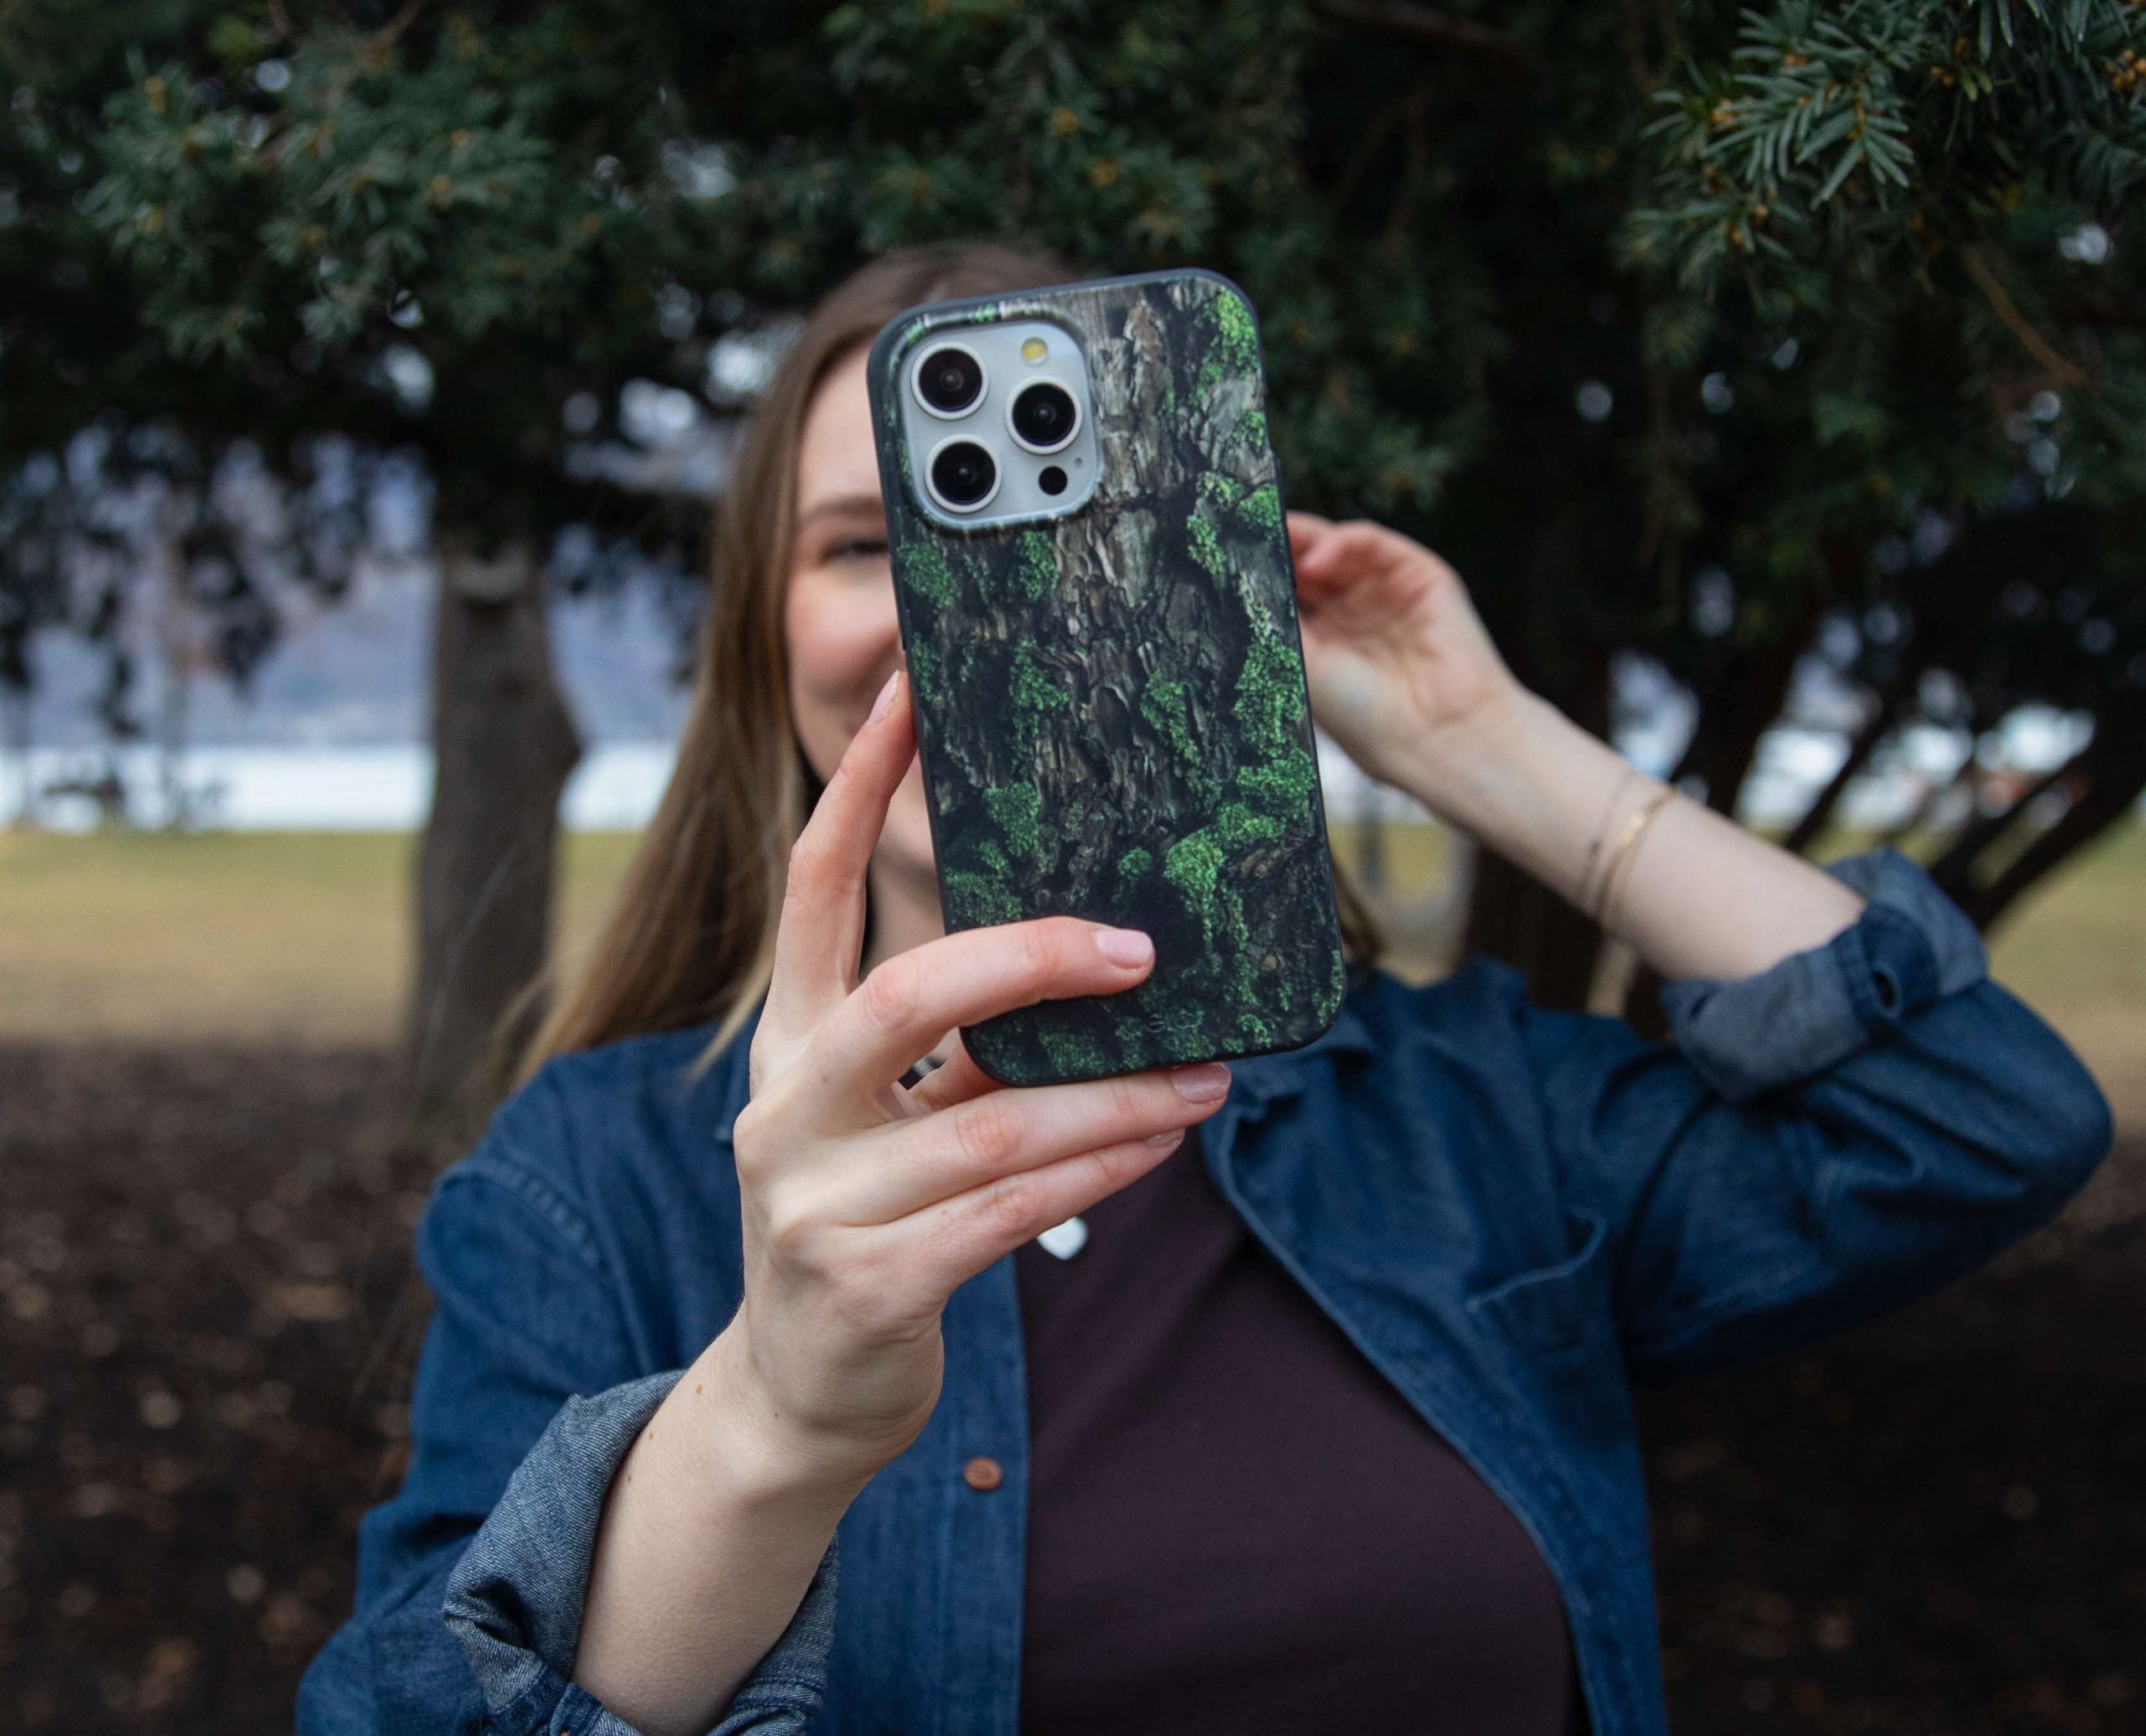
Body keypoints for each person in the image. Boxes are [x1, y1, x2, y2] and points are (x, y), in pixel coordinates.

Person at [300, 241, 2111, 1736]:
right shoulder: (588, 1181)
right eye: (873, 545)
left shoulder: (1464, 1110)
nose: (964, 611)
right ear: (760, 636)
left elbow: (1970, 1121)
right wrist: (766, 1419)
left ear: (1197, 596)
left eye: (1059, 530)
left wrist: (1481, 744)